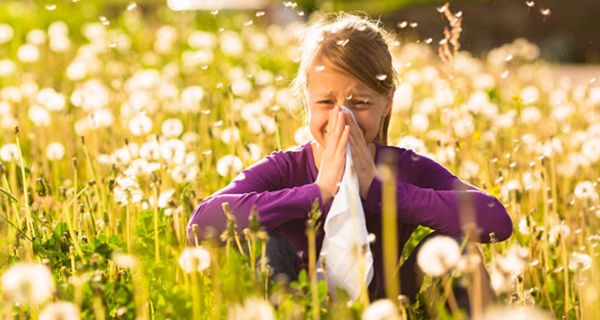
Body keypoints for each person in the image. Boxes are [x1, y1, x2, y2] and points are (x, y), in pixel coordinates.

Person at [186, 12, 513, 306]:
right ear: (308, 101)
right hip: (296, 306)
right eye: (326, 102)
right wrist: (318, 193)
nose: (342, 117)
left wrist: (380, 190)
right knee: (263, 242)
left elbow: (496, 220)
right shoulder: (286, 167)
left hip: (387, 307)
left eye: (359, 103)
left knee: (459, 249)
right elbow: (201, 224)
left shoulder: (404, 168)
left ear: (386, 103)